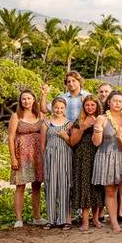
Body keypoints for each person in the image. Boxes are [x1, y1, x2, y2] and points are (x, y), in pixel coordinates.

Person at [92, 90, 122, 233]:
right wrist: (97, 130)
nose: (117, 104)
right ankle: (114, 223)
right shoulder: (102, 118)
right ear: (109, 102)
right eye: (115, 101)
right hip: (106, 155)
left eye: (120, 101)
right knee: (111, 191)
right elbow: (96, 143)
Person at [8, 90, 45, 227]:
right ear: (20, 101)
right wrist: (13, 158)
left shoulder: (40, 114)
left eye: (29, 98)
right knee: (20, 186)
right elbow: (11, 138)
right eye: (24, 99)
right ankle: (18, 219)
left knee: (37, 186)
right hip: (21, 155)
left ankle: (37, 217)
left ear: (34, 100)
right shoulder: (16, 116)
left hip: (37, 154)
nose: (26, 101)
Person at [69, 96, 105, 231]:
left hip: (97, 154)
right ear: (83, 107)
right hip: (82, 156)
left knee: (97, 187)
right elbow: (72, 142)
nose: (90, 108)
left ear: (97, 106)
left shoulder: (102, 119)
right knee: (84, 186)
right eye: (87, 105)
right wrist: (83, 127)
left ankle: (95, 218)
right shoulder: (78, 121)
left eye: (92, 105)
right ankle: (85, 221)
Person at [41, 97, 73, 229]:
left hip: (65, 156)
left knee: (65, 186)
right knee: (51, 186)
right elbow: (43, 145)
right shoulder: (46, 124)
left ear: (65, 109)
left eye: (61, 107)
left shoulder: (69, 124)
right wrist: (44, 160)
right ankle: (51, 219)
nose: (58, 110)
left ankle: (65, 219)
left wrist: (66, 136)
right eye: (56, 107)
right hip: (50, 157)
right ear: (52, 108)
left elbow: (72, 142)